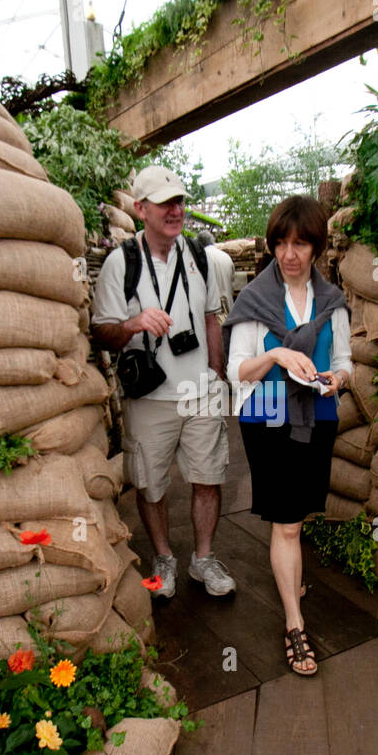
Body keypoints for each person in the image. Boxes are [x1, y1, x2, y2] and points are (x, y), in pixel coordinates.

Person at [91, 165, 237, 599]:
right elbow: (101, 330)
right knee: (150, 482)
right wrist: (133, 323)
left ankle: (203, 561)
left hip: (200, 392)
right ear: (140, 209)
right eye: (165, 203)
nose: (176, 210)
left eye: (180, 202)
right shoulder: (122, 263)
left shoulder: (199, 256)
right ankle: (164, 558)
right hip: (149, 395)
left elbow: (211, 317)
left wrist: (216, 374)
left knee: (208, 477)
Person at [223, 195, 352, 676]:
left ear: (316, 246)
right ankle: (294, 624)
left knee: (297, 516)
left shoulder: (333, 303)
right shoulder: (254, 301)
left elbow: (344, 363)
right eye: (281, 242)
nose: (289, 253)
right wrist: (275, 357)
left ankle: (290, 576)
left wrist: (336, 381)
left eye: (300, 243)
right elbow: (238, 371)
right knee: (287, 523)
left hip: (317, 414)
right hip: (267, 414)